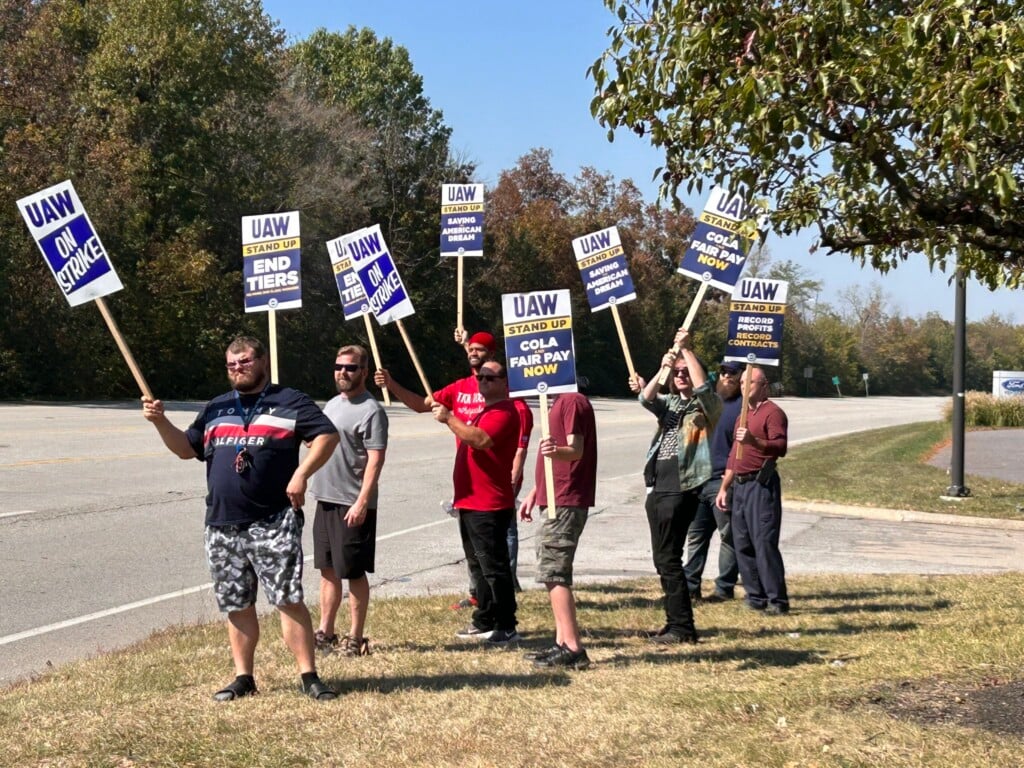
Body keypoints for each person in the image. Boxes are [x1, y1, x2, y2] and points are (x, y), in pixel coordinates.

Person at [141, 336, 340, 701]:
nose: (238, 369)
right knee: (236, 603)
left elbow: (327, 437)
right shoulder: (216, 408)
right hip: (222, 524)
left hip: (273, 519)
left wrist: (302, 474)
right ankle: (243, 677)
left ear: (262, 361)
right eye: (232, 365)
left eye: (245, 362)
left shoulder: (290, 401)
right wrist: (160, 421)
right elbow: (187, 449)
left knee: (287, 598)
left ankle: (308, 676)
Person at [374, 329, 532, 606]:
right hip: (469, 484)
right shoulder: (459, 388)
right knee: (475, 551)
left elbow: (492, 438)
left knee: (496, 550)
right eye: (471, 349)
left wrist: (516, 470)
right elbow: (420, 404)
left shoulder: (502, 392)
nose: (474, 354)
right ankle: (480, 602)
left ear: (492, 357)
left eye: (480, 350)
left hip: (495, 484)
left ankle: (504, 608)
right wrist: (391, 384)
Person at [631, 328, 720, 644]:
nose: (681, 375)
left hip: (682, 487)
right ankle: (675, 623)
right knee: (663, 559)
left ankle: (683, 628)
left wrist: (687, 349)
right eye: (677, 373)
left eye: (685, 372)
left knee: (669, 558)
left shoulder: (706, 407)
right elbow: (646, 396)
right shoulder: (667, 404)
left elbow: (703, 386)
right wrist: (665, 365)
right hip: (657, 487)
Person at [432, 360, 521, 644]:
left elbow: (480, 440)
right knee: (478, 567)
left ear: (505, 382)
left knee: (494, 567)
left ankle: (506, 624)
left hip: (489, 504)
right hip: (471, 501)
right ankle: (484, 619)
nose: (483, 381)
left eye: (490, 378)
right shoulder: (485, 410)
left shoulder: (506, 411)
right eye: (481, 377)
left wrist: (449, 418)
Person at [309, 344, 388, 657]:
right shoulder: (331, 404)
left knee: (353, 572)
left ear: (364, 372)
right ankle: (325, 632)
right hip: (325, 499)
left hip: (352, 503)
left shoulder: (372, 410)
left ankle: (355, 638)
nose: (343, 372)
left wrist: (362, 501)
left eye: (351, 368)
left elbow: (375, 460)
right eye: (339, 367)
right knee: (327, 570)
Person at [518, 390, 597, 670]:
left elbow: (576, 449)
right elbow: (554, 460)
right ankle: (562, 641)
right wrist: (534, 492)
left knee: (555, 572)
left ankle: (573, 647)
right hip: (552, 496)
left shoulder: (572, 402)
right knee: (550, 570)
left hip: (565, 499)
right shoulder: (557, 402)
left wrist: (555, 449)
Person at [716, 366, 790, 614]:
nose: (745, 387)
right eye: (742, 383)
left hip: (761, 485)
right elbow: (733, 456)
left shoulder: (773, 413)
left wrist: (754, 441)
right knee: (742, 542)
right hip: (740, 486)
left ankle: (777, 600)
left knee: (764, 543)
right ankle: (754, 596)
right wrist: (724, 488)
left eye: (751, 383)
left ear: (764, 386)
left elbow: (780, 446)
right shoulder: (742, 416)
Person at [683, 360, 743, 602]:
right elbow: (693, 383)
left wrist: (729, 483)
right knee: (696, 534)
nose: (727, 376)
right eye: (723, 371)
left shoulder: (742, 407)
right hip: (700, 478)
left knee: (728, 536)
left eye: (733, 372)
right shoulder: (709, 401)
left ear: (742, 377)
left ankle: (724, 588)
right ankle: (690, 587)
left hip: (723, 480)